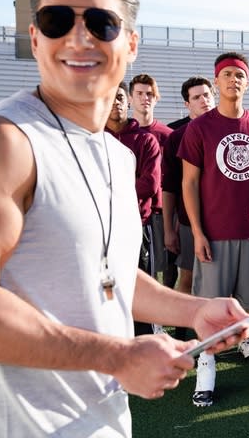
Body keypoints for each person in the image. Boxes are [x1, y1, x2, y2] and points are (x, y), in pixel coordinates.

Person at [0, 0, 249, 436]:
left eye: (101, 24)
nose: (79, 38)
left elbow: (108, 275)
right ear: (35, 37)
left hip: (103, 422)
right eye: (57, 20)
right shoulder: (4, 141)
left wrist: (193, 310)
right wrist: (118, 356)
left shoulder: (115, 154)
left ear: (130, 42)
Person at [179, 52, 249, 406]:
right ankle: (206, 371)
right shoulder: (199, 127)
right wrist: (197, 231)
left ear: (246, 81)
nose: (233, 80)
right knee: (210, 308)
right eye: (226, 74)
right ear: (216, 81)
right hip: (214, 234)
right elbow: (189, 183)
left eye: (239, 75)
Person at [105, 82, 162, 337]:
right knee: (105, 289)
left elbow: (149, 183)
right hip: (102, 227)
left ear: (127, 101)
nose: (115, 103)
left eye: (119, 97)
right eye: (108, 98)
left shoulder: (145, 140)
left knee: (139, 288)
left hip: (136, 224)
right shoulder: (93, 139)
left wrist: (110, 196)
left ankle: (145, 341)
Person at [161, 76, 215, 340]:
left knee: (223, 282)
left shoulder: (228, 130)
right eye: (197, 97)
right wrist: (169, 230)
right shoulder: (176, 137)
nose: (204, 100)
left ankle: (222, 332)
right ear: (187, 104)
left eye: (207, 94)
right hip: (188, 222)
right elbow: (169, 187)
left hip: (225, 222)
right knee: (188, 276)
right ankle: (183, 331)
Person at [129, 73, 174, 289]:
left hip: (162, 212)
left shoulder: (168, 135)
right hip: (132, 210)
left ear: (156, 98)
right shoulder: (120, 134)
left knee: (163, 271)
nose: (144, 98)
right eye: (139, 93)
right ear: (130, 98)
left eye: (149, 94)